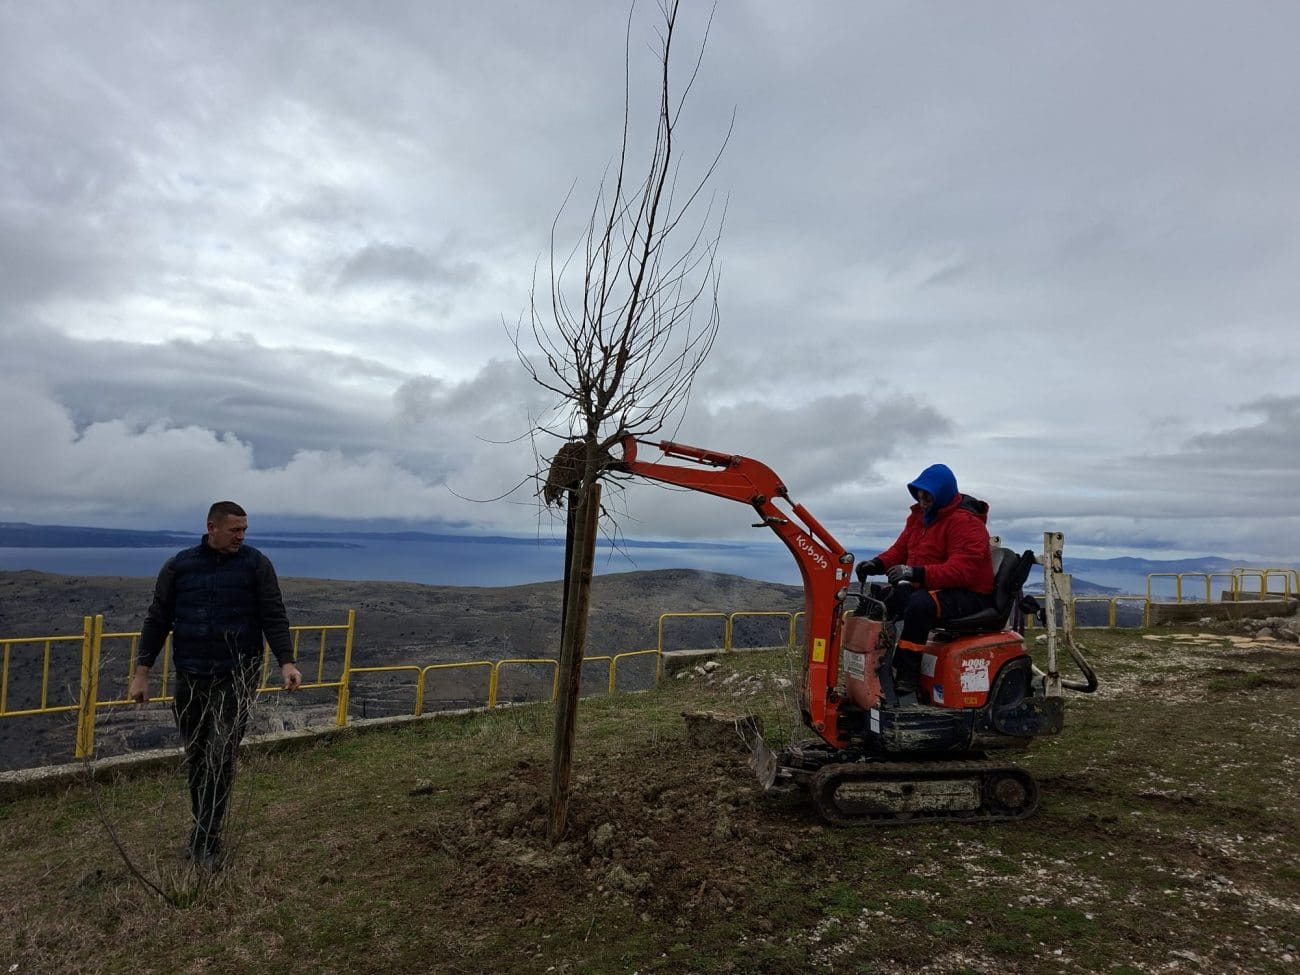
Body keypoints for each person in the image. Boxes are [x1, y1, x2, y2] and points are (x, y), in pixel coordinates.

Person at [128, 501, 302, 868]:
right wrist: (142, 671)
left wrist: (286, 663)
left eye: (244, 531)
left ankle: (205, 839)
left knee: (220, 756)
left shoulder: (256, 564)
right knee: (196, 756)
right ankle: (203, 829)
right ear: (212, 527)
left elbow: (274, 615)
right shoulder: (180, 566)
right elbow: (157, 619)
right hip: (190, 674)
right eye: (235, 530)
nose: (241, 537)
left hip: (237, 675)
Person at [856, 464, 994, 697]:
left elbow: (962, 571)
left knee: (920, 605)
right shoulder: (920, 518)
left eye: (927, 494)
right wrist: (877, 564)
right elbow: (900, 550)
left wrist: (915, 573)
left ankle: (908, 675)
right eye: (919, 493)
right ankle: (870, 666)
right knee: (888, 598)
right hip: (937, 587)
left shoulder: (966, 523)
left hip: (971, 594)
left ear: (941, 493)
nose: (922, 499)